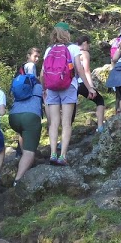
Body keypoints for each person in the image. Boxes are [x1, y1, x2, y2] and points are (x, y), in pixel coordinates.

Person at [42, 23, 95, 166]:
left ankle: (53, 153)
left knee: (53, 123)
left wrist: (44, 89)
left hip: (52, 88)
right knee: (66, 123)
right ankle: (62, 156)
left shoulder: (49, 50)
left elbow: (43, 73)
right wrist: (89, 87)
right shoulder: (72, 48)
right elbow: (79, 69)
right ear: (66, 33)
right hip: (68, 87)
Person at [8, 71, 44, 187]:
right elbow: (46, 104)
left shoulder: (20, 89)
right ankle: (17, 181)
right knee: (29, 152)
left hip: (13, 117)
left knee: (23, 134)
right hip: (30, 117)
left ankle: (25, 162)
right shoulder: (38, 87)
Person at [73, 35, 105, 132]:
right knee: (100, 100)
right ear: (85, 43)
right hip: (82, 83)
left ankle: (63, 141)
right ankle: (100, 127)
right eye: (89, 45)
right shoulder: (84, 53)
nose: (89, 47)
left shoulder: (71, 51)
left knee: (70, 112)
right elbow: (86, 70)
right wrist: (91, 87)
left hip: (71, 84)